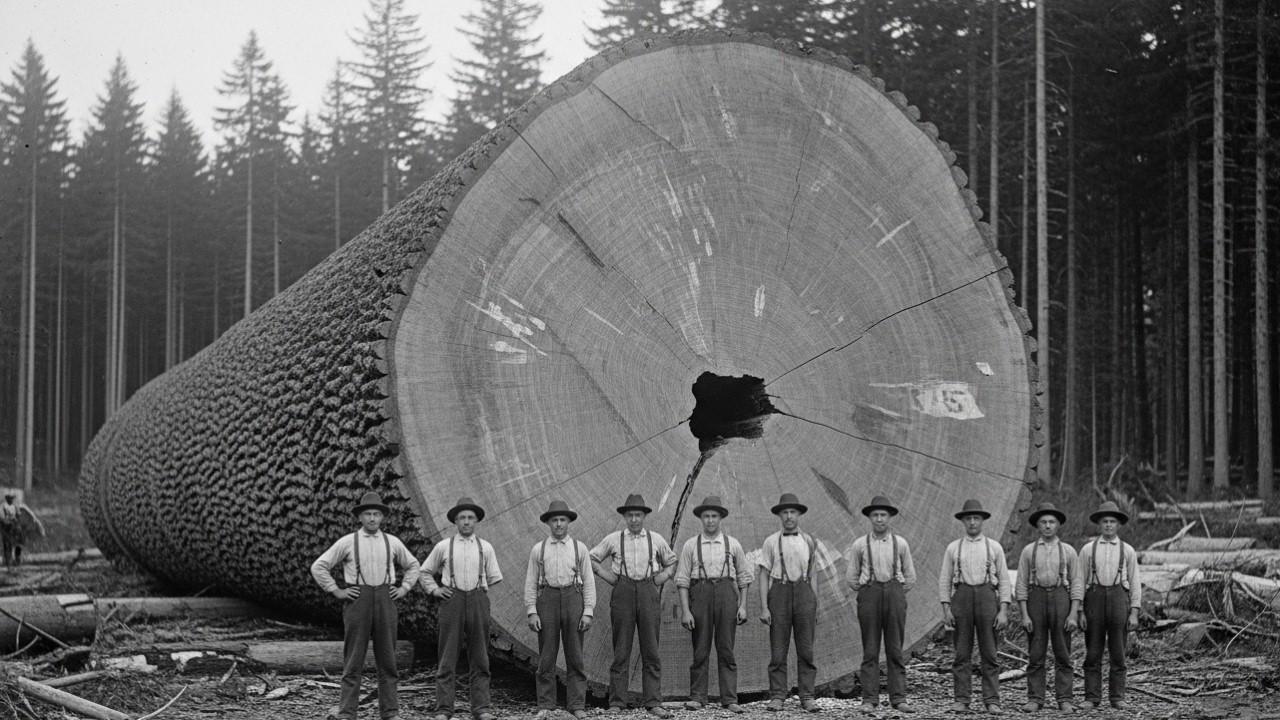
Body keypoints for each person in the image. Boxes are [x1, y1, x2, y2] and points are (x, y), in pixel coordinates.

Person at [311, 491, 421, 720]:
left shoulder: (392, 542)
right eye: (368, 514)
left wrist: (403, 588)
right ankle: (347, 712)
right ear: (360, 517)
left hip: (385, 600)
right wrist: (336, 590)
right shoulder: (348, 542)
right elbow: (319, 566)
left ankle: (390, 712)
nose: (372, 519)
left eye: (376, 514)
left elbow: (413, 565)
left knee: (388, 659)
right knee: (353, 659)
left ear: (382, 517)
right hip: (357, 601)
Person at [590, 493, 678, 718]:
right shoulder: (614, 539)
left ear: (644, 516)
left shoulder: (656, 539)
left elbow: (673, 561)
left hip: (648, 592)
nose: (634, 520)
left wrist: (661, 578)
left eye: (638, 515)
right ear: (625, 517)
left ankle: (653, 702)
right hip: (623, 592)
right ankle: (618, 702)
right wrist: (607, 576)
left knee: (651, 649)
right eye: (630, 515)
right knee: (621, 649)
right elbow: (591, 558)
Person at [420, 497, 503, 720]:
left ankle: (481, 708)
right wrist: (435, 591)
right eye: (462, 518)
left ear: (476, 520)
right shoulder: (443, 546)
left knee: (480, 656)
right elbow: (424, 572)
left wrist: (481, 597)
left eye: (470, 518)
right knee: (447, 656)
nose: (466, 522)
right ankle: (444, 709)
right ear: (455, 521)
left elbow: (494, 578)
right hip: (452, 600)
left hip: (477, 599)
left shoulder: (485, 547)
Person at [675, 495, 752, 714]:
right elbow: (682, 581)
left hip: (727, 594)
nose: (710, 520)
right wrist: (686, 611)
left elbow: (744, 578)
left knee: (726, 648)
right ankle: (698, 697)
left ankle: (729, 698)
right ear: (701, 518)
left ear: (720, 519)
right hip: (700, 594)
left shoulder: (732, 544)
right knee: (700, 648)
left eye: (714, 516)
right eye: (706, 516)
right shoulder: (691, 545)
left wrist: (743, 605)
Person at [844, 495, 917, 715]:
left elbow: (910, 577)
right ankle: (869, 699)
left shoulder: (900, 543)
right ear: (869, 518)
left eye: (883, 515)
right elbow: (851, 577)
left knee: (895, 649)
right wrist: (868, 590)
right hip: (869, 596)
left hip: (894, 595)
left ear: (889, 517)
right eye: (875, 515)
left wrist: (894, 590)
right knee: (870, 650)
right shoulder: (860, 544)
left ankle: (899, 698)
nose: (879, 519)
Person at [524, 500, 596, 720]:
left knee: (575, 654)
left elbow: (589, 581)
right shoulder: (539, 549)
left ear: (568, 522)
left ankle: (576, 704)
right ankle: (546, 704)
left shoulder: (579, 548)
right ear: (548, 523)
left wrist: (588, 611)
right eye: (554, 520)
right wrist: (532, 610)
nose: (558, 524)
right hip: (548, 599)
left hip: (573, 598)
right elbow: (531, 582)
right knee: (547, 654)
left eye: (562, 520)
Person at [939, 499, 1011, 714]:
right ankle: (962, 699)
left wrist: (1004, 610)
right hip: (961, 597)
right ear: (963, 521)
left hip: (987, 597)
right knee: (962, 653)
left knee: (990, 652)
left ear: (982, 521)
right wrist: (946, 609)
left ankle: (992, 700)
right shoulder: (954, 548)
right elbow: (944, 579)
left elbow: (1005, 580)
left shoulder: (993, 546)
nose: (972, 522)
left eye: (976, 518)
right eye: (968, 518)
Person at [757, 493, 821, 713]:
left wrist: (814, 602)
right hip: (780, 594)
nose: (789, 516)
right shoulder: (771, 541)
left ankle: (807, 695)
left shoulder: (809, 541)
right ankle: (777, 696)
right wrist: (765, 607)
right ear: (780, 515)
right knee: (778, 650)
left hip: (804, 593)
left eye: (793, 512)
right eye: (785, 512)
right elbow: (764, 575)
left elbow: (813, 572)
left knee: (806, 650)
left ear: (799, 514)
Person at [1015, 502, 1082, 713]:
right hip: (1036, 599)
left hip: (1061, 598)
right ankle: (1035, 698)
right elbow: (1021, 584)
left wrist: (1073, 614)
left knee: (1063, 651)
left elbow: (1077, 583)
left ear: (1058, 525)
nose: (1047, 526)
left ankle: (1065, 699)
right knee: (1036, 651)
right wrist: (1024, 614)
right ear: (1038, 526)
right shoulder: (1029, 551)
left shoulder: (1069, 551)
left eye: (1051, 522)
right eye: (1043, 522)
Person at [1077, 501, 1141, 711]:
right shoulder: (1088, 550)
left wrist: (1134, 612)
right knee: (1093, 651)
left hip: (1118, 599)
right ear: (1099, 524)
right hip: (1094, 598)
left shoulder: (1128, 550)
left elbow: (1135, 582)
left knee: (1118, 652)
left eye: (1112, 521)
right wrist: (1079, 611)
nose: (1108, 525)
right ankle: (1092, 697)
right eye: (1104, 521)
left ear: (1118, 525)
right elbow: (1079, 581)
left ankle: (1117, 697)